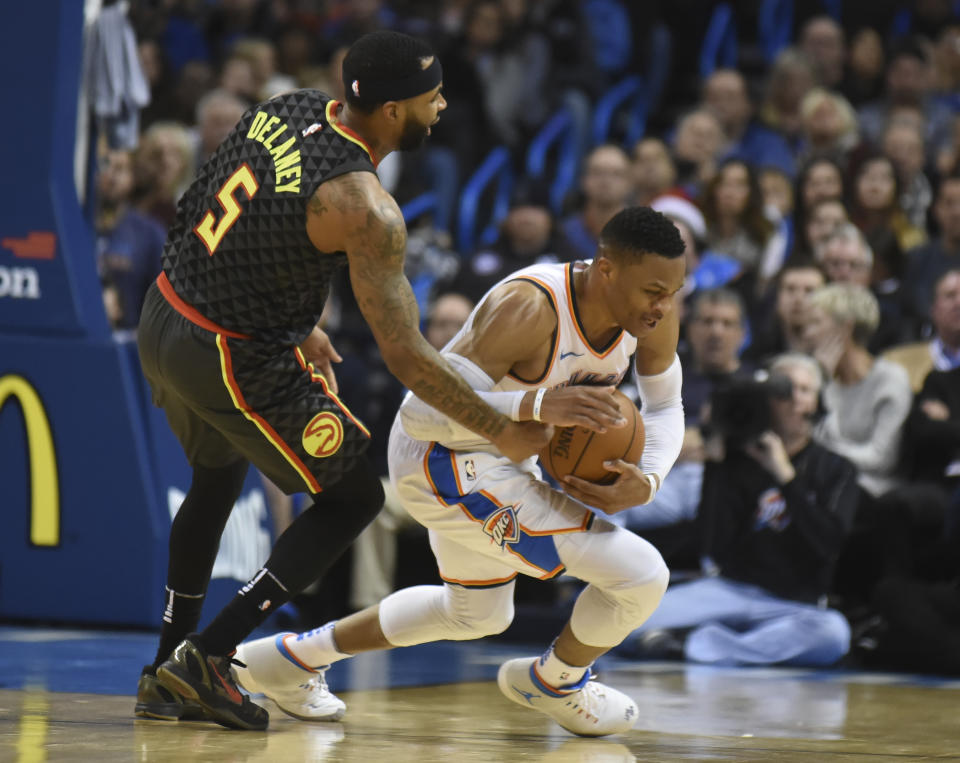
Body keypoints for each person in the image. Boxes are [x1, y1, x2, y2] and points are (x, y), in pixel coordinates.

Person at [135, 30, 550, 731]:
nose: (444, 105)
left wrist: (298, 321)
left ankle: (167, 666)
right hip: (229, 351)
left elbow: (204, 202)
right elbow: (409, 356)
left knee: (216, 478)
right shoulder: (367, 208)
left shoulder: (284, 105)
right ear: (391, 111)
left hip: (166, 310)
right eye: (431, 97)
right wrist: (502, 428)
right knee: (353, 494)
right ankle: (210, 655)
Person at [231, 206, 688, 738]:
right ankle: (557, 680)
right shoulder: (529, 306)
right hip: (438, 456)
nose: (663, 305)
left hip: (500, 459)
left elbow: (665, 407)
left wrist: (649, 478)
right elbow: (422, 412)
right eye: (654, 290)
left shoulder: (651, 313)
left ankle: (287, 660)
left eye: (672, 292)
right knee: (642, 574)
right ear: (606, 270)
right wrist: (538, 405)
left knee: (477, 615)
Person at [616, 353, 858, 667]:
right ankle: (728, 646)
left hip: (792, 603)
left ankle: (695, 644)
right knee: (618, 620)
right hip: (730, 589)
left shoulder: (836, 468)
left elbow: (827, 544)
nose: (793, 399)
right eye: (783, 390)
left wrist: (786, 477)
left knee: (834, 634)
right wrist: (716, 465)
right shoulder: (739, 459)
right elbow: (713, 545)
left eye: (804, 390)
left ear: (817, 403)